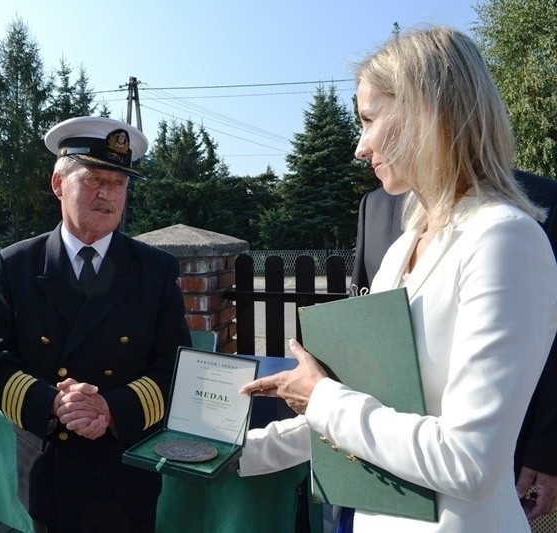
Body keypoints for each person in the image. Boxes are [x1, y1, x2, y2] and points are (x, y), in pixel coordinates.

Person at [237, 27, 557, 532]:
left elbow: (468, 462)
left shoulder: (504, 239)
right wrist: (234, 454)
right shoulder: (405, 246)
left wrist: (321, 395)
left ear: (426, 111)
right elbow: (367, 409)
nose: (360, 147)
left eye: (368, 119)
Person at [0, 116, 191, 532]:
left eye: (119, 183)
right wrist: (55, 403)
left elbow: (176, 367)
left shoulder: (155, 269)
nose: (108, 194)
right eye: (94, 179)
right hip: (52, 464)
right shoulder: (16, 265)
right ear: (59, 184)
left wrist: (110, 409)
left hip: (126, 465)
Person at [352, 174, 557, 522]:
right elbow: (364, 308)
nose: (362, 148)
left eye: (372, 120)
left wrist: (547, 450)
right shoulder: (376, 205)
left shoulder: (532, 207)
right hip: (384, 475)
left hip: (502, 456)